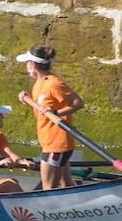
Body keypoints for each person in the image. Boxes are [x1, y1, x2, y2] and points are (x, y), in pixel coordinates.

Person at [16, 45, 85, 189]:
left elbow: (78, 103)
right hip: (49, 141)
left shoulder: (54, 83)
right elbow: (43, 109)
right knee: (65, 183)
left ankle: (49, 210)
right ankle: (78, 205)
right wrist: (28, 101)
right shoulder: (38, 84)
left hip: (56, 145)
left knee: (48, 187)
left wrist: (57, 113)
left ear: (33, 65)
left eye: (27, 63)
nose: (26, 66)